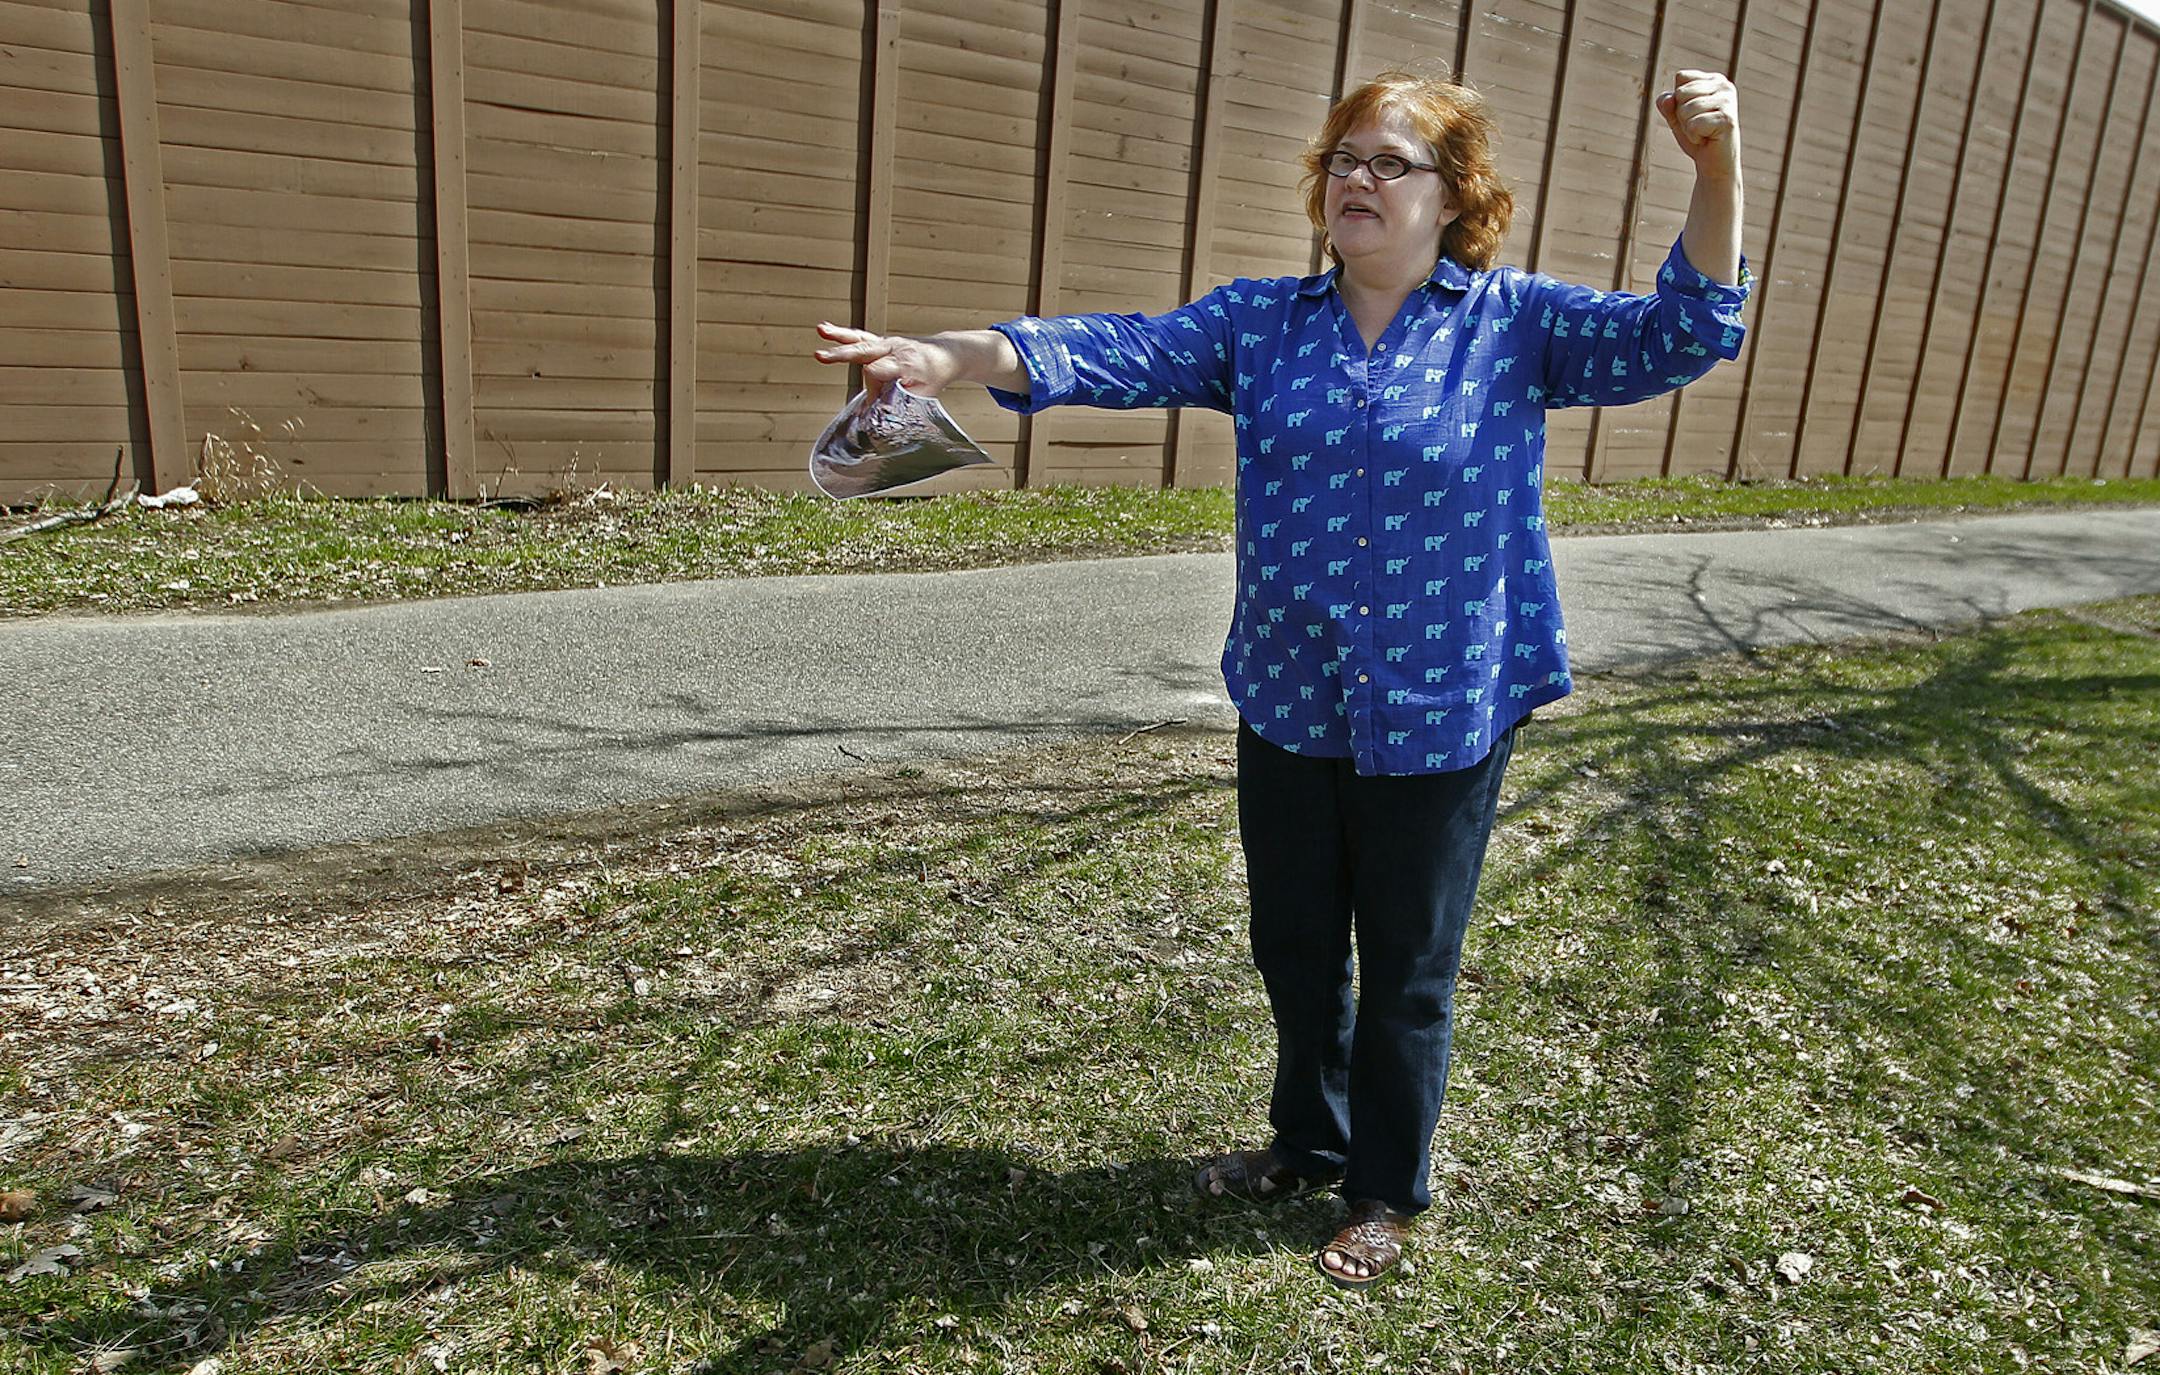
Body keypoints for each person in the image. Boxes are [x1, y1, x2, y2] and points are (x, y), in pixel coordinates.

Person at [813, 67, 1750, 1290]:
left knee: (1408, 962)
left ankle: (1384, 1188)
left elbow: (1685, 333)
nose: (1355, 179)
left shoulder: (1515, 325)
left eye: (1389, 162)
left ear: (1455, 195)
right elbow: (1108, 350)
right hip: (1293, 689)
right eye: (1342, 159)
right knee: (1296, 942)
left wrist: (1716, 165)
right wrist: (941, 354)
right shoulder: (1262, 324)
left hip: (1440, 704)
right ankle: (1306, 1142)